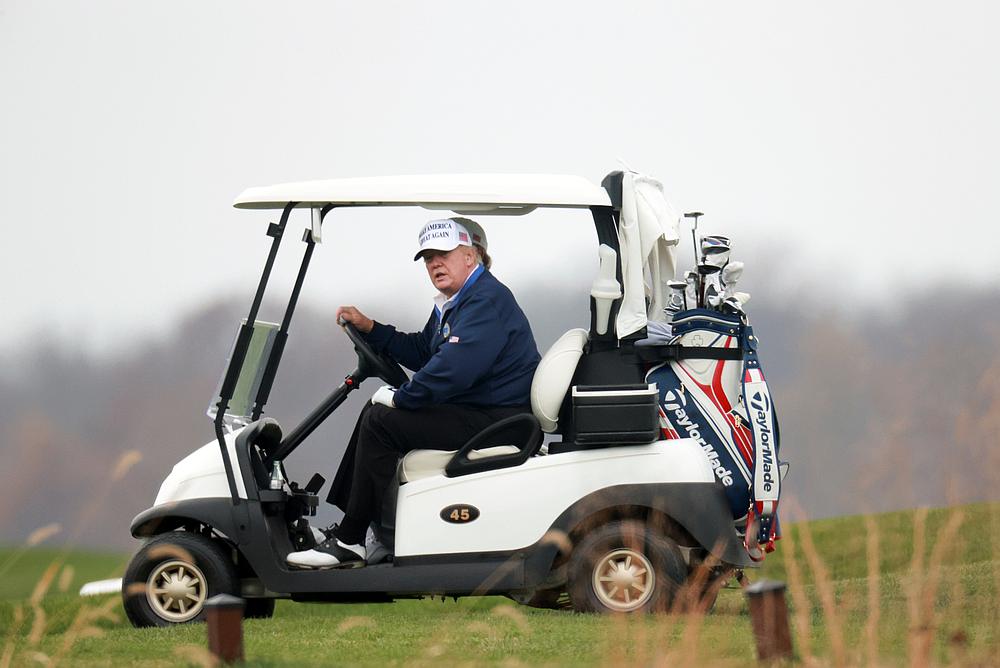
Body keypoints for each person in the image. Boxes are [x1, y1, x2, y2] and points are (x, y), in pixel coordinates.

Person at [286, 217, 540, 569]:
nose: (435, 264)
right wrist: (371, 329)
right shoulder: (458, 301)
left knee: (381, 420)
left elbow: (451, 371)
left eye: (444, 255)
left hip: (500, 421)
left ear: (471, 256)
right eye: (429, 258)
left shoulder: (485, 302)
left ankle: (351, 539)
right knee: (375, 415)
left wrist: (402, 397)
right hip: (481, 413)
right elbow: (424, 351)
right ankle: (355, 533)